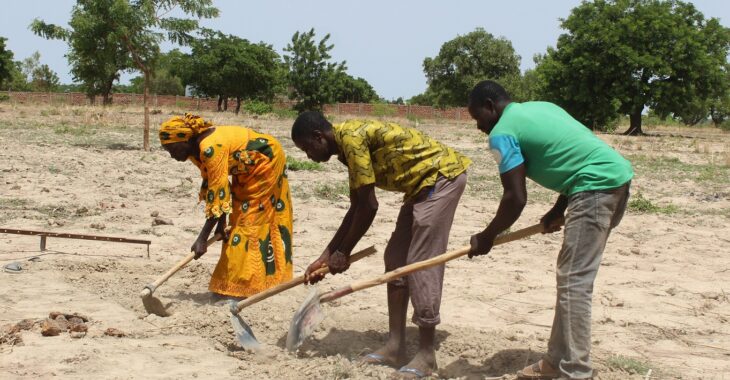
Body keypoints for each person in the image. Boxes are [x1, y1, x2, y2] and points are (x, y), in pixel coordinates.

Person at [466, 81, 633, 380]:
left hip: (594, 188)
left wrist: (487, 236)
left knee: (574, 282)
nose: (479, 127)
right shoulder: (541, 107)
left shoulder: (502, 133)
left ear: (490, 105)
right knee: (571, 278)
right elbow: (576, 153)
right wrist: (558, 209)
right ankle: (556, 363)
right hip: (615, 180)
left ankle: (577, 372)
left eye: (478, 117)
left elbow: (515, 198)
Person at [292, 111, 471, 378]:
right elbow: (356, 206)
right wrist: (327, 255)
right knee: (396, 260)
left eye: (307, 148)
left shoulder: (351, 139)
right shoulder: (345, 146)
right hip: (417, 187)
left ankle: (426, 354)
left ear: (319, 137)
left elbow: (369, 206)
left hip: (441, 178)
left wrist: (344, 253)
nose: (308, 156)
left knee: (421, 264)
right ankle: (395, 346)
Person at [159, 113, 293, 298]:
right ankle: (240, 283)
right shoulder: (195, 152)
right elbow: (219, 189)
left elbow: (218, 195)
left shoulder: (209, 148)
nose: (172, 155)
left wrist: (202, 239)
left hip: (265, 162)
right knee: (237, 220)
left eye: (172, 149)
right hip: (245, 168)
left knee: (249, 221)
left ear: (185, 140)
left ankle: (245, 286)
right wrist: (221, 224)